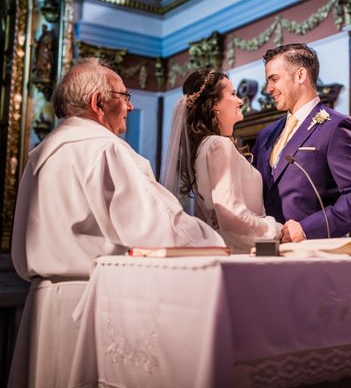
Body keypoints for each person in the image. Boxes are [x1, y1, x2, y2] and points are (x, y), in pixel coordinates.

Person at [9, 58, 223, 388]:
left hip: (42, 306)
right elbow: (161, 228)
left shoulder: (41, 153)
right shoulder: (104, 147)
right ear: (98, 102)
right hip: (89, 305)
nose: (129, 107)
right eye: (124, 96)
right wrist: (223, 244)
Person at [253, 43, 351, 242]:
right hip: (265, 251)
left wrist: (307, 229)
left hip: (314, 252)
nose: (268, 89)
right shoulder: (265, 135)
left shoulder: (336, 127)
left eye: (274, 79)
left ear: (300, 75)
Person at [162, 68, 282, 253]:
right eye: (233, 94)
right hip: (241, 250)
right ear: (215, 104)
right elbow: (230, 214)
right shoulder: (219, 145)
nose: (240, 100)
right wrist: (274, 228)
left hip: (237, 246)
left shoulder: (205, 146)